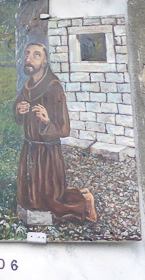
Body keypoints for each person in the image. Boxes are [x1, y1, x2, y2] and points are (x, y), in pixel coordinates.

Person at [14, 42, 98, 223]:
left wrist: (47, 120)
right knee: (30, 199)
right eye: (27, 54)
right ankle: (79, 194)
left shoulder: (53, 87)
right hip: (30, 149)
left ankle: (85, 201)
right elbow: (18, 110)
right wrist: (19, 109)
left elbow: (64, 128)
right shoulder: (28, 86)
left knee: (50, 203)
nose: (29, 59)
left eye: (36, 55)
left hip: (48, 153)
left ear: (44, 62)